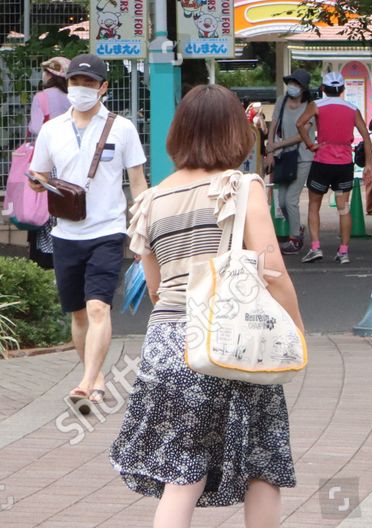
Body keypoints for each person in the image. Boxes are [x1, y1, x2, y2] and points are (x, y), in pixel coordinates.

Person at [110, 85, 301, 525]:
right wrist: (295, 328)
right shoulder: (241, 186)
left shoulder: (151, 199)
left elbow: (155, 289)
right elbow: (272, 270)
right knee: (262, 461)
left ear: (179, 133)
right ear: (235, 132)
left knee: (183, 472)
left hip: (167, 341)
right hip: (230, 337)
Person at [26, 54, 147, 414]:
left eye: (89, 83)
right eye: (76, 82)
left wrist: (143, 228)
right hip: (65, 234)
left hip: (108, 231)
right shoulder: (53, 129)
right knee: (78, 313)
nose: (81, 89)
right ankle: (94, 378)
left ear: (103, 88)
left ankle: (85, 382)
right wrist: (38, 184)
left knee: (98, 307)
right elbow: (40, 175)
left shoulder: (121, 128)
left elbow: (138, 183)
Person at [301, 71, 372, 264]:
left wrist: (310, 143)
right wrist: (369, 165)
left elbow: (300, 124)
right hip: (344, 165)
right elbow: (366, 136)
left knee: (314, 205)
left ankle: (315, 247)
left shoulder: (316, 105)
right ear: (342, 89)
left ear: (323, 88)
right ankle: (344, 251)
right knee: (343, 208)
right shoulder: (352, 108)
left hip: (322, 162)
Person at [24, 56, 72, 269]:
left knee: (43, 208)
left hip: (46, 159)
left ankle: (44, 260)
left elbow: (35, 128)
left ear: (50, 75)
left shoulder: (42, 97)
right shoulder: (73, 98)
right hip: (69, 159)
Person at [268, 69, 316, 254]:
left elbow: (301, 135)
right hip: (283, 157)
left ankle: (295, 238)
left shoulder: (311, 106)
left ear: (304, 88)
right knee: (281, 201)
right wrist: (271, 149)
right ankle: (298, 228)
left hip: (303, 157)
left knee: (291, 199)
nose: (292, 87)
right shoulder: (282, 101)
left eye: (296, 84)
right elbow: (273, 124)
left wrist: (277, 145)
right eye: (291, 82)